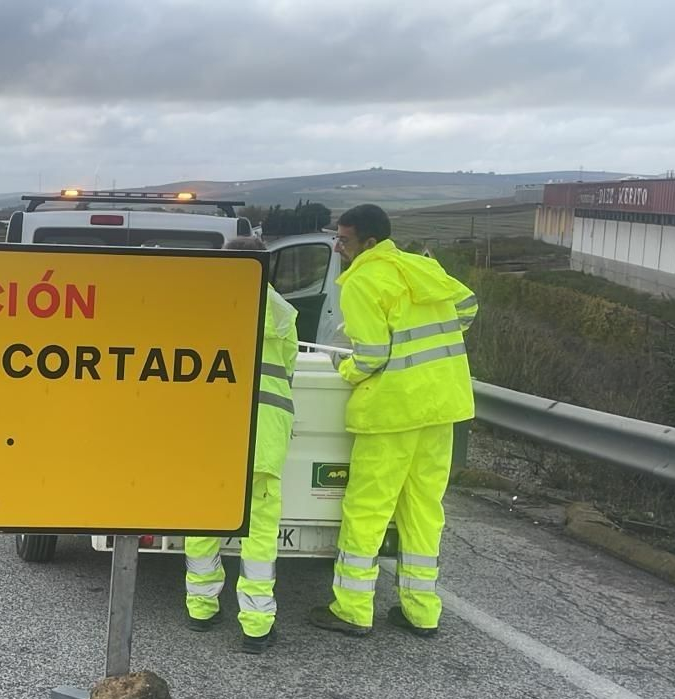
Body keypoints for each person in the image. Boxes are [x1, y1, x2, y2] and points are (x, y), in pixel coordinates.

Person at [308, 204, 478, 638]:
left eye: (344, 240)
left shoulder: (363, 281)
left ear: (368, 242)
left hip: (393, 411)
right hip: (442, 406)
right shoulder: (420, 268)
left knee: (368, 510)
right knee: (423, 509)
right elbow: (468, 307)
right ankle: (422, 611)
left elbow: (370, 356)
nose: (337, 247)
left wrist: (344, 370)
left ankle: (352, 608)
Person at [184, 235, 299, 654]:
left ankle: (200, 608)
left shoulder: (204, 306)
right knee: (261, 533)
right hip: (265, 434)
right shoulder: (284, 313)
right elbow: (287, 373)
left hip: (213, 433)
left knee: (204, 521)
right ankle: (256, 624)